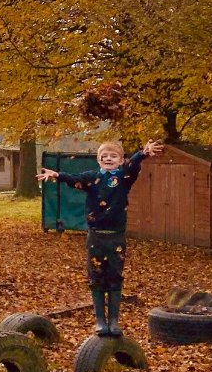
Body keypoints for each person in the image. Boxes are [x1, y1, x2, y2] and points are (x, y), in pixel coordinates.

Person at [36, 139, 164, 336]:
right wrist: (57, 175)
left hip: (116, 237)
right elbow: (74, 178)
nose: (108, 159)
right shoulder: (92, 178)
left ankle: (113, 321)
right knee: (96, 276)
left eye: (113, 156)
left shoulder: (124, 177)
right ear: (98, 160)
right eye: (104, 156)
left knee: (114, 277)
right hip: (96, 237)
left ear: (121, 160)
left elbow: (134, 164)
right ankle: (100, 321)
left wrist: (143, 153)